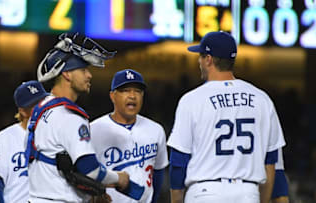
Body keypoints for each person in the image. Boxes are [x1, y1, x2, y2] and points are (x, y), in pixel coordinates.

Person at [167, 31, 286, 203]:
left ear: (208, 59)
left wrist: (176, 200)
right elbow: (271, 161)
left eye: (201, 56)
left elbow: (179, 162)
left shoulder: (192, 99)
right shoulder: (262, 99)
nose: (199, 61)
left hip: (205, 192)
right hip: (247, 192)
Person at [26, 33, 133, 203]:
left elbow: (61, 166)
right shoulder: (70, 117)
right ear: (67, 74)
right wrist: (119, 178)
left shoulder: (41, 108)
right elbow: (90, 170)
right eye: (83, 70)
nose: (89, 75)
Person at [90, 69, 169, 203]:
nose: (132, 96)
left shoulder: (156, 130)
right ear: (112, 96)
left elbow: (159, 172)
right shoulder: (93, 130)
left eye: (137, 91)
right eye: (125, 90)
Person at [0, 80, 49, 203]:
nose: (41, 108)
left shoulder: (55, 136)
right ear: (22, 111)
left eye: (43, 103)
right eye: (35, 105)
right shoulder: (5, 138)